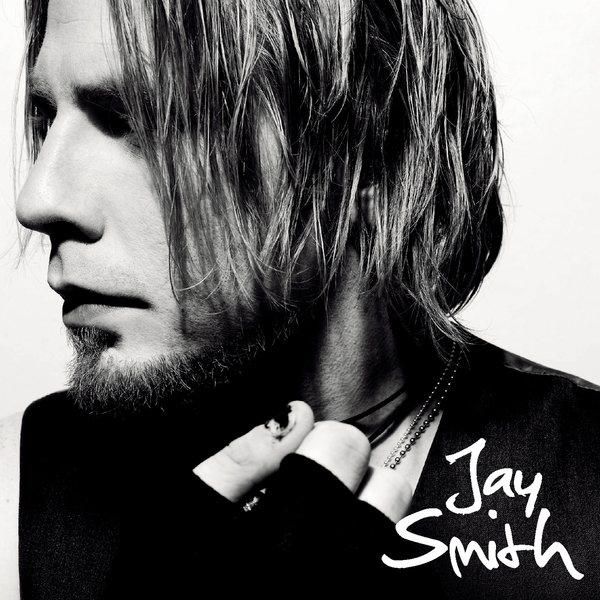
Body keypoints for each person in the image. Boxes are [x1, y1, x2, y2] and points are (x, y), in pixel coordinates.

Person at [1, 0, 599, 597]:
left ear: (371, 153)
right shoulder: (17, 489)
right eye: (45, 115)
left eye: (132, 115)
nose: (38, 199)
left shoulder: (584, 479)